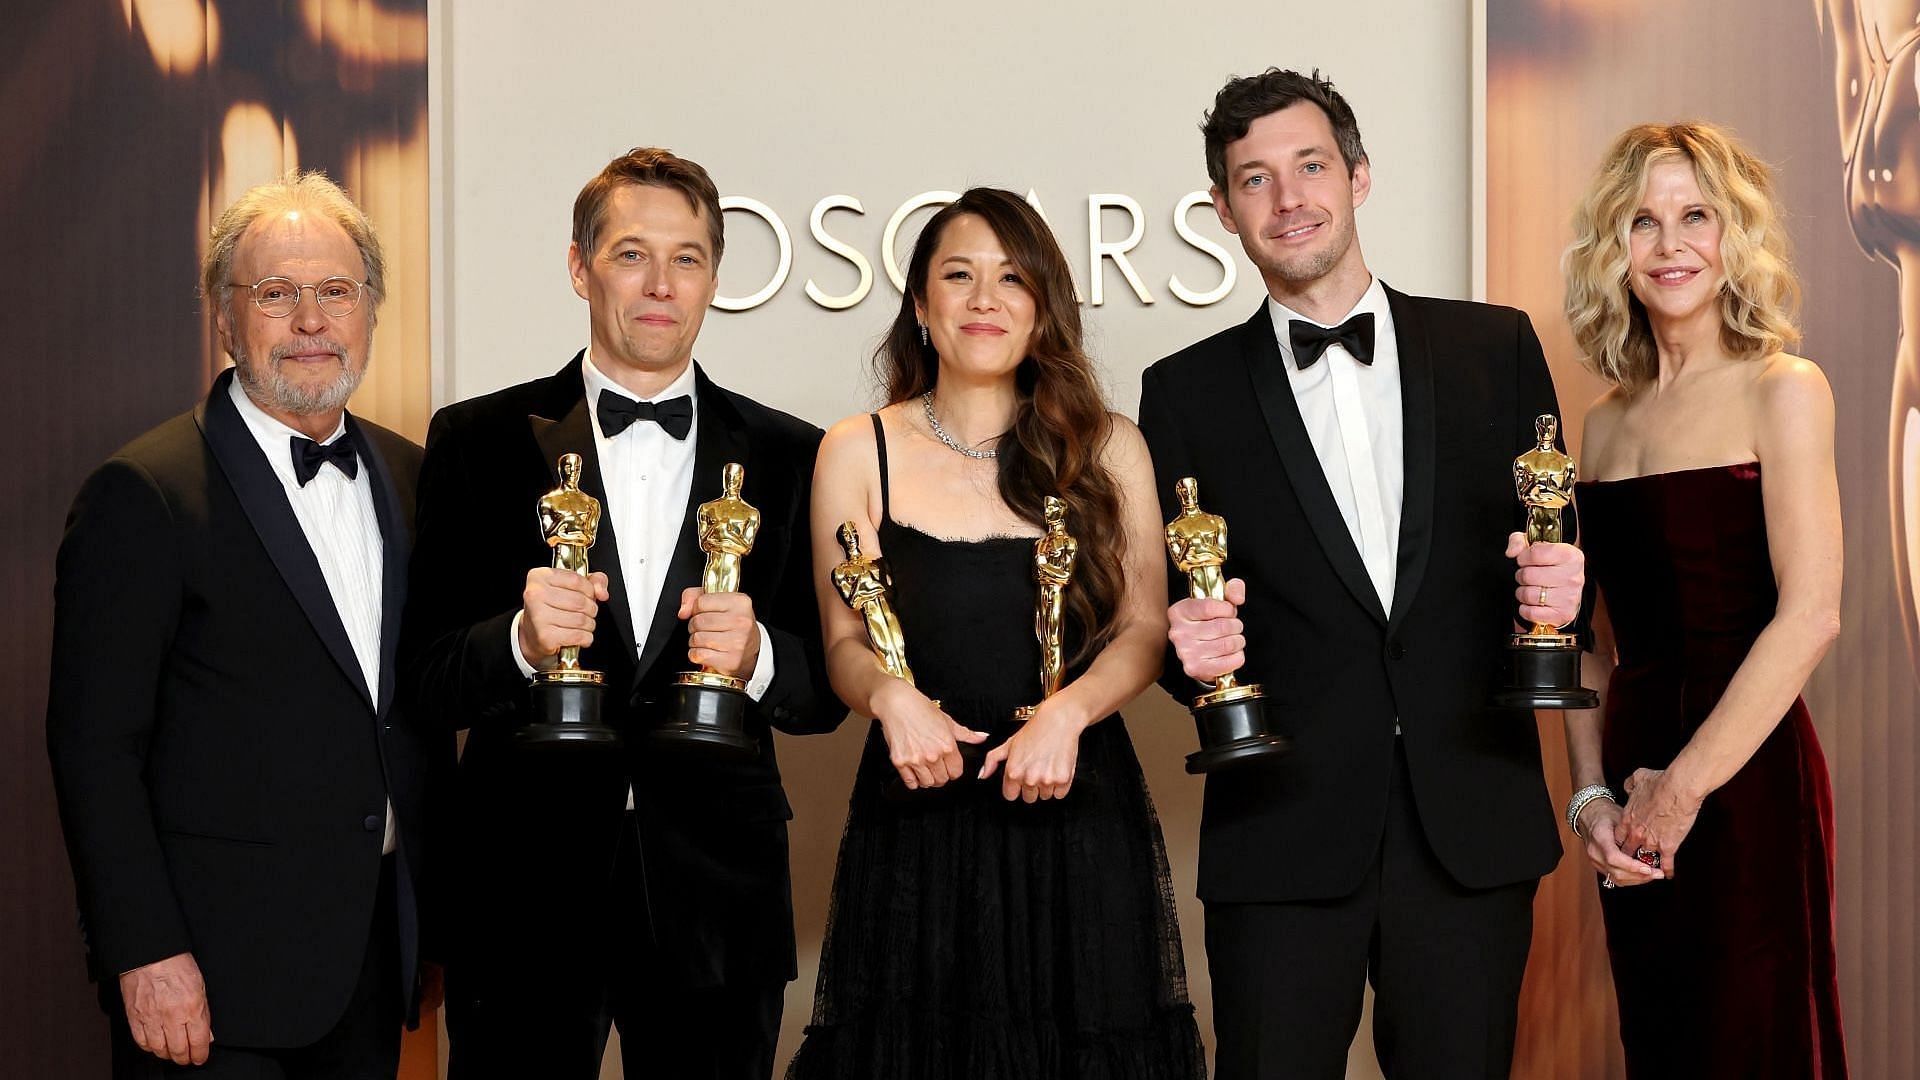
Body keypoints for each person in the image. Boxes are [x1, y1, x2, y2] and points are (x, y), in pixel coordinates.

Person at [1137, 69, 1587, 1079]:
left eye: (1309, 166)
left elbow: (1559, 559)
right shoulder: (1181, 393)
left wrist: (1570, 592)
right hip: (1282, 831)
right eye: (1254, 180)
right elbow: (1183, 622)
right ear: (1222, 211)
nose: (1288, 198)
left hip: (1468, 826)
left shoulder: (1495, 346)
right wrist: (1186, 652)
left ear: (1359, 176)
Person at [400, 147, 840, 1080]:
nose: (660, 285)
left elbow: (826, 691)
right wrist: (517, 643)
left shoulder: (790, 452)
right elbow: (424, 681)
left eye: (687, 259)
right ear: (578, 267)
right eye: (632, 253)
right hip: (522, 895)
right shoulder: (475, 440)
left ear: (715, 278)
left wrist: (758, 655)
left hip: (718, 897)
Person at [787, 187, 1205, 1079]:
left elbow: (1141, 630)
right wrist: (891, 699)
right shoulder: (857, 449)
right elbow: (842, 642)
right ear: (920, 306)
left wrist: (1067, 717)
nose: (985, 299)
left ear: (1044, 303)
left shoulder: (1111, 447)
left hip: (1075, 805)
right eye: (959, 275)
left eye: (1012, 278)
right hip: (917, 821)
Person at [46, 171, 437, 1078]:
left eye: (336, 292)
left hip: (372, 968)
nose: (311, 321)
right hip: (210, 989)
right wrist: (143, 954)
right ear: (224, 317)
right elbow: (91, 749)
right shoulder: (143, 494)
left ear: (370, 309)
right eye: (276, 294)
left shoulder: (414, 478)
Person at [1562, 121, 1847, 1078]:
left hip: (1746, 776)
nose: (1671, 244)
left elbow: (1811, 614)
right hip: (1633, 776)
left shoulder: (1785, 387)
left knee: (1757, 1044)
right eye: (1643, 222)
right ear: (1616, 249)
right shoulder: (1598, 428)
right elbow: (1585, 643)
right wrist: (1595, 796)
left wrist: (1678, 792)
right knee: (1665, 1044)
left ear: (1737, 236)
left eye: (1697, 217)